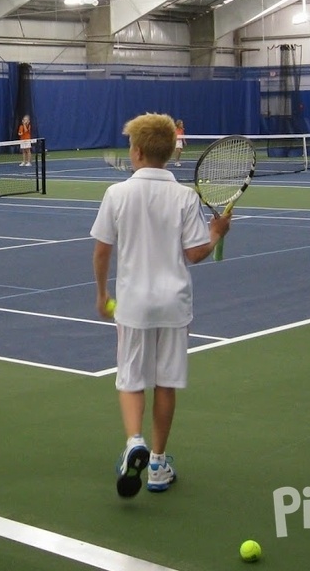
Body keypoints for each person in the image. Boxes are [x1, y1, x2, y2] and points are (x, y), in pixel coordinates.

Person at [91, 113, 231, 497]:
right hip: (173, 304)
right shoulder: (185, 196)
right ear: (169, 152)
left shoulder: (116, 194)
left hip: (133, 304)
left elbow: (102, 250)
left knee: (131, 379)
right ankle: (157, 462)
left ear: (135, 151)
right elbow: (195, 254)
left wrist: (102, 294)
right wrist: (216, 233)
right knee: (165, 383)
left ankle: (134, 440)